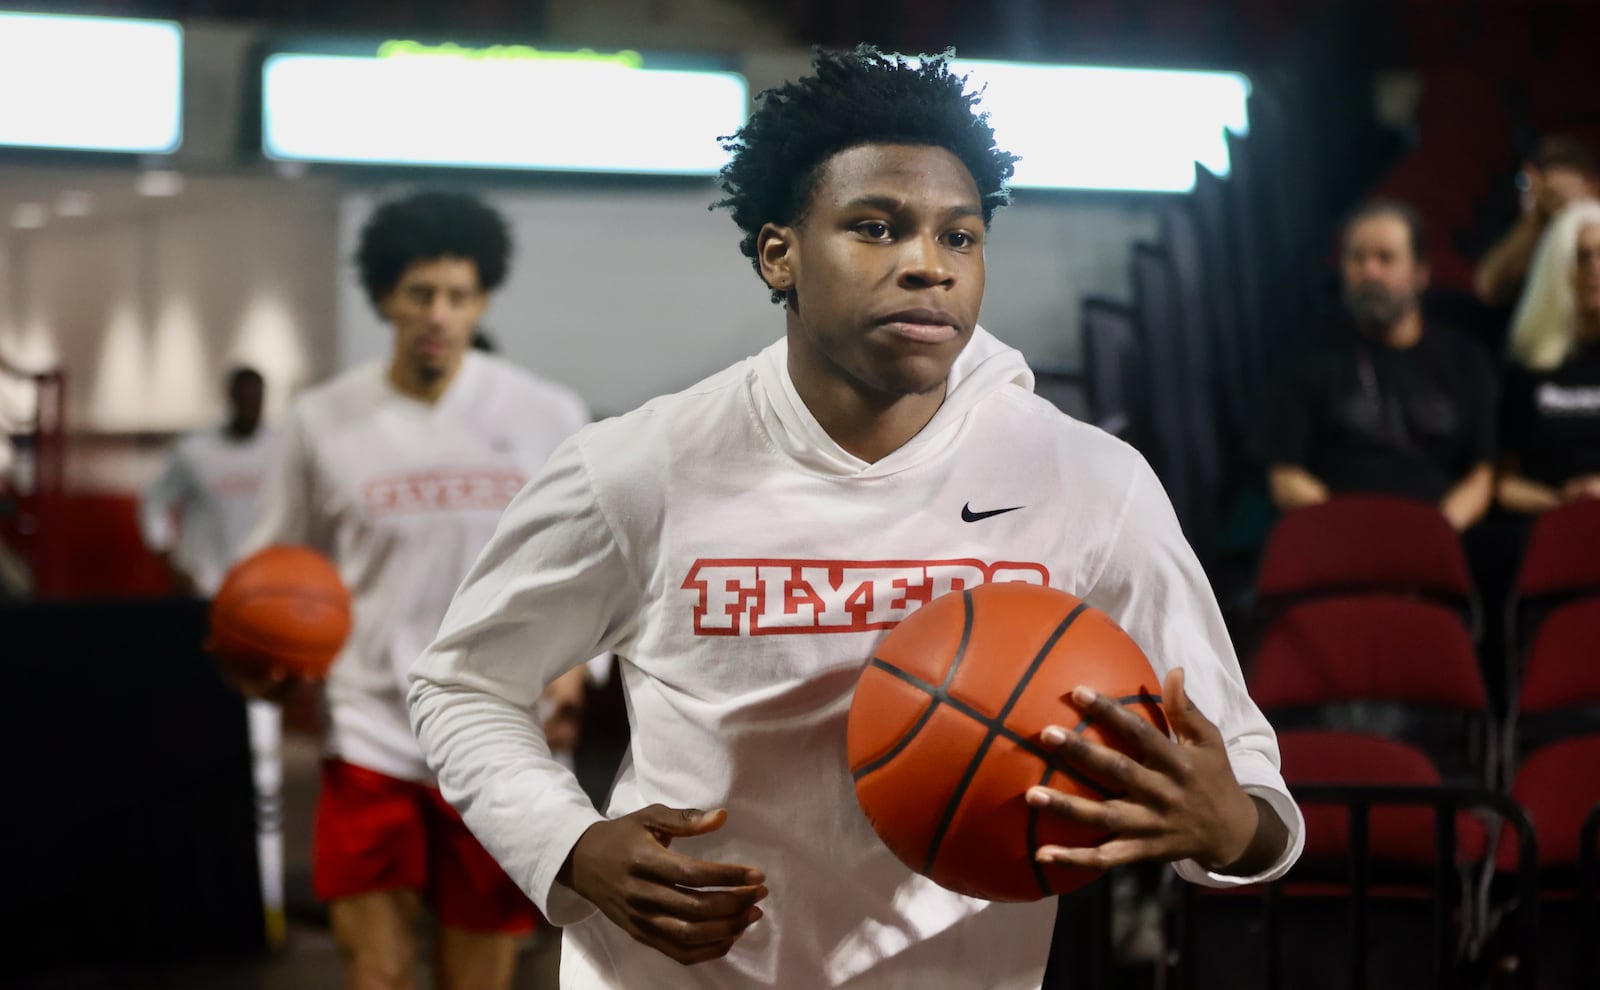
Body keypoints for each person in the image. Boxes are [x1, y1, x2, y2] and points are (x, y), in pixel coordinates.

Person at [408, 47, 1302, 989]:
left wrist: (1232, 827)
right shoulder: (641, 466)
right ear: (779, 254)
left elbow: (1244, 771)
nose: (928, 266)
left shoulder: (1084, 478)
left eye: (960, 238)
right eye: (877, 228)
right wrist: (572, 846)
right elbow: (463, 684)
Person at [228, 191, 591, 990]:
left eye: (459, 296)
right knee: (378, 974)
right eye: (420, 294)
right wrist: (260, 648)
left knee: (479, 978)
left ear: (482, 299)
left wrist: (574, 670)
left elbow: (583, 569)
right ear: (385, 297)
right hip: (368, 726)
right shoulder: (323, 421)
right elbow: (275, 563)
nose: (438, 314)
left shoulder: (544, 413)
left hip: (501, 726)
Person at [139, 364, 286, 941]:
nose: (249, 403)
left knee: (263, 737)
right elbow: (152, 504)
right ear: (229, 397)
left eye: (258, 394)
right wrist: (170, 560)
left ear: (264, 399)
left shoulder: (282, 447)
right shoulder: (194, 451)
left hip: (268, 608)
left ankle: (264, 882)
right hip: (206, 603)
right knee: (200, 727)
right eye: (241, 394)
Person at [1266, 200, 1499, 531]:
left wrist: (1435, 531)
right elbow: (1285, 477)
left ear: (1421, 272)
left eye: (1385, 258)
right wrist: (1360, 534)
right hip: (1338, 537)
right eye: (1357, 258)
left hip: (1439, 541)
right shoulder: (1307, 356)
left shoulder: (1466, 360)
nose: (1369, 271)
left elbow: (1482, 475)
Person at [1498, 199, 1600, 512]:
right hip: (1546, 527)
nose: (1595, 267)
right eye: (1582, 256)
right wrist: (1561, 504)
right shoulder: (1528, 366)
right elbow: (1503, 484)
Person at [1475, 134, 1600, 309]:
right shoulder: (1536, 233)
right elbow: (1488, 287)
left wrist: (1575, 208)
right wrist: (1535, 219)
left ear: (1591, 183)